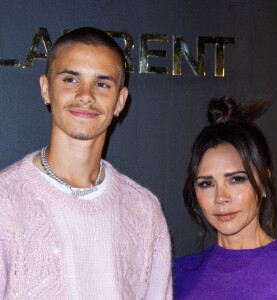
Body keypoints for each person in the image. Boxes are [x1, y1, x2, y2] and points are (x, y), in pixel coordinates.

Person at [0, 27, 172, 299]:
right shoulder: (5, 202)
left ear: (120, 101)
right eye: (70, 79)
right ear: (46, 89)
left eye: (102, 84)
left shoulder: (146, 212)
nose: (86, 95)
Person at [174, 97, 277, 299]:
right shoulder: (177, 275)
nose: (221, 197)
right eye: (207, 183)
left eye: (236, 179)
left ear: (265, 183)